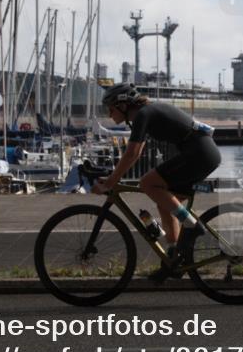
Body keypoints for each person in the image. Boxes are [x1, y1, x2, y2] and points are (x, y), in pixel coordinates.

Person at [92, 82, 221, 281]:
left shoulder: (144, 114)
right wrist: (112, 176)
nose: (109, 114)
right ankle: (174, 258)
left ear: (123, 105)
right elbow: (134, 154)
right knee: (164, 201)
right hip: (200, 152)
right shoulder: (145, 113)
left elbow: (133, 153)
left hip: (199, 153)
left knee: (147, 183)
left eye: (110, 109)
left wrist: (111, 181)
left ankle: (192, 225)